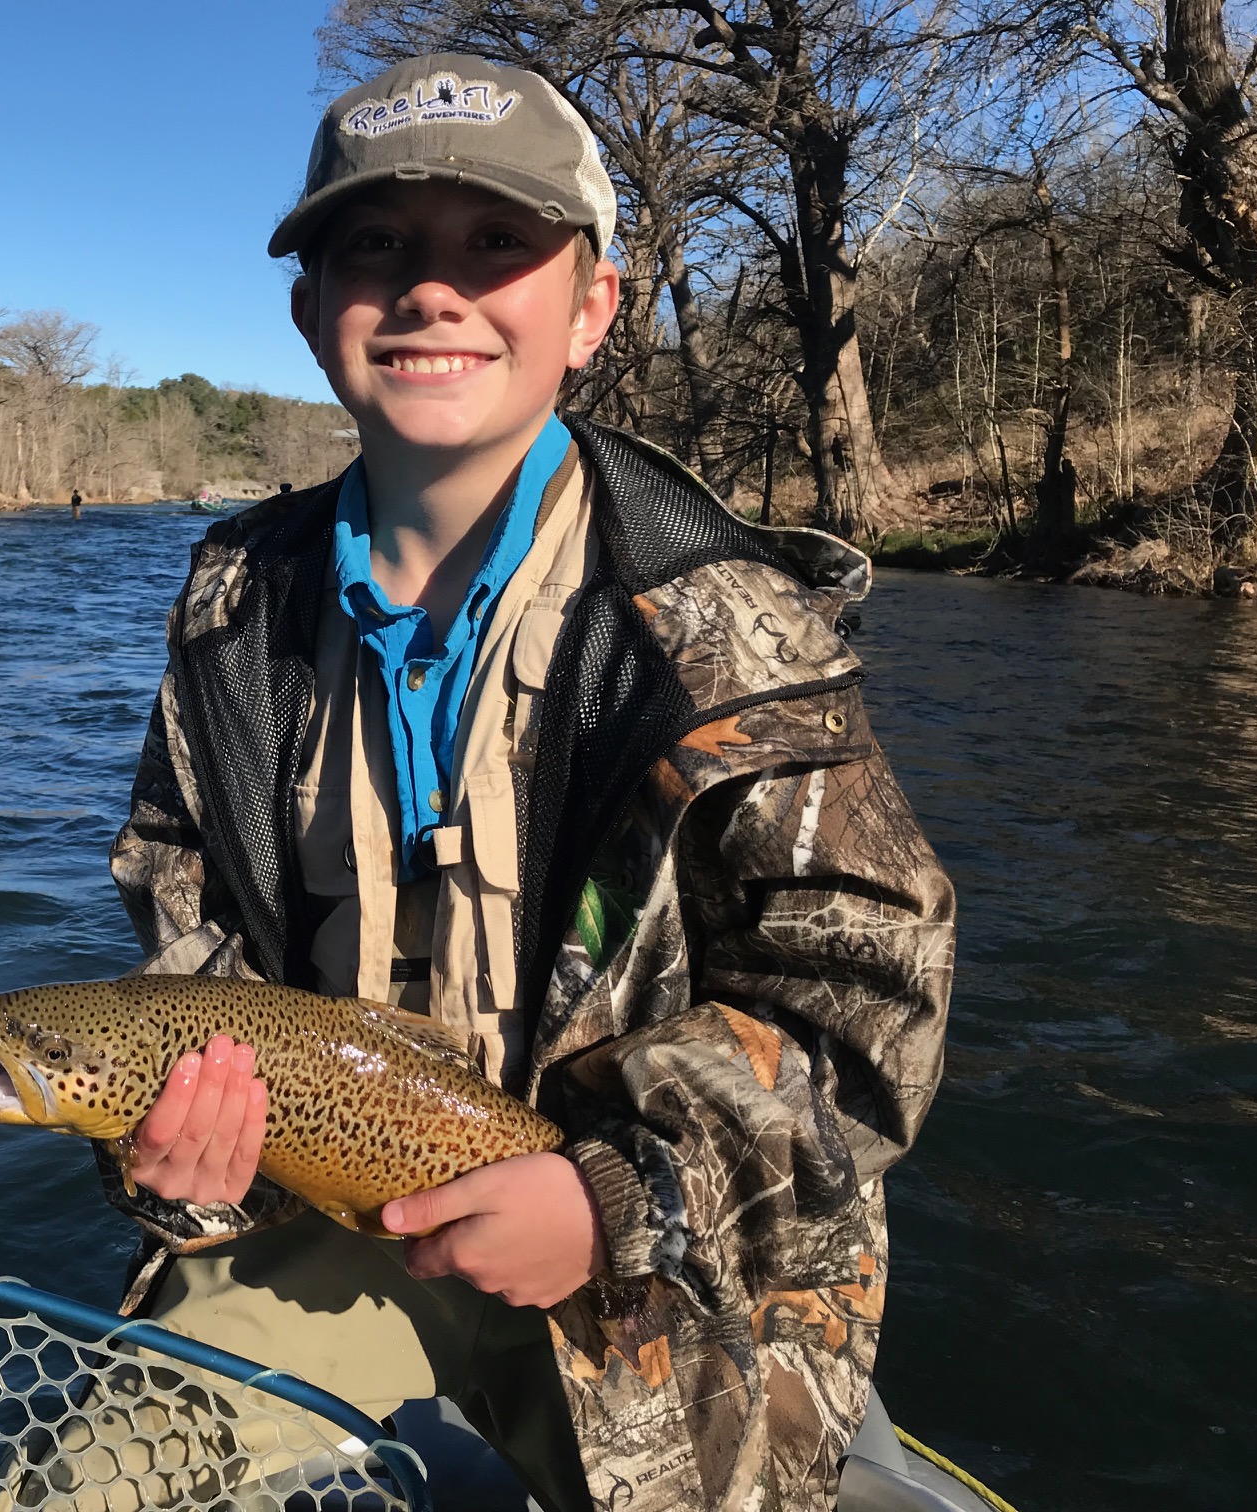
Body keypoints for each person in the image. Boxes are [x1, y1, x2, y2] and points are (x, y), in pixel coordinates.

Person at [104, 52, 954, 1512]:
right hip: (323, 1215)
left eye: (499, 244)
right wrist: (183, 1158)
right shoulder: (233, 609)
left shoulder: (731, 628)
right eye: (377, 246)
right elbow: (191, 940)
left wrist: (621, 1192)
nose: (434, 290)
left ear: (593, 310)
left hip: (665, 1264)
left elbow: (869, 1014)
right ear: (314, 312)